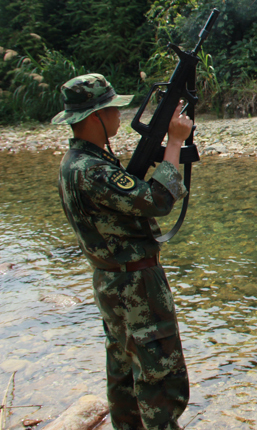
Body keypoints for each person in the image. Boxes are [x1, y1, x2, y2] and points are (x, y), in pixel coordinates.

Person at [52, 74, 193, 430]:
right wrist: (175, 141)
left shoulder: (77, 162)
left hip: (112, 281)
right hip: (135, 287)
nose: (118, 115)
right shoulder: (94, 171)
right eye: (111, 109)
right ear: (92, 117)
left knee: (125, 376)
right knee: (160, 378)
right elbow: (158, 200)